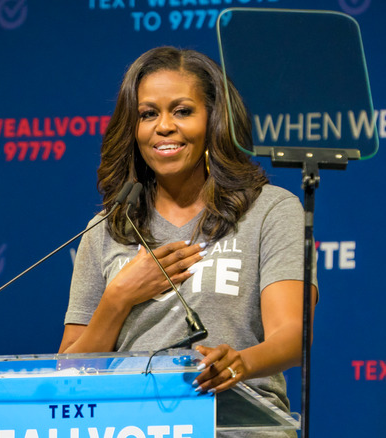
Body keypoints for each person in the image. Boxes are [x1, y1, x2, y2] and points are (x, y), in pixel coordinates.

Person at [59, 46, 317, 429]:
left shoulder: (270, 210)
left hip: (237, 425)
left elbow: (294, 335)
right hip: (131, 425)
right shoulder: (108, 228)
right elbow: (68, 371)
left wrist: (241, 363)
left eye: (182, 111)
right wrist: (119, 297)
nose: (164, 126)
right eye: (148, 114)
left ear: (214, 121)